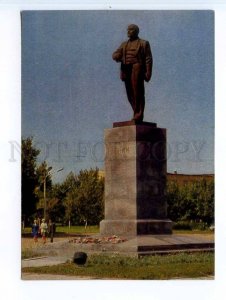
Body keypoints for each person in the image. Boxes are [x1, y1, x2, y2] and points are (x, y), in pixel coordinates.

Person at [112, 24, 153, 122]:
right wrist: (117, 56)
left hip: (137, 68)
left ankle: (139, 113)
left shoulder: (143, 43)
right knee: (129, 93)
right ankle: (135, 111)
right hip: (126, 69)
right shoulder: (124, 44)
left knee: (137, 91)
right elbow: (115, 54)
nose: (128, 32)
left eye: (130, 30)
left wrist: (148, 72)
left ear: (136, 31)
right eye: (127, 30)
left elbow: (148, 59)